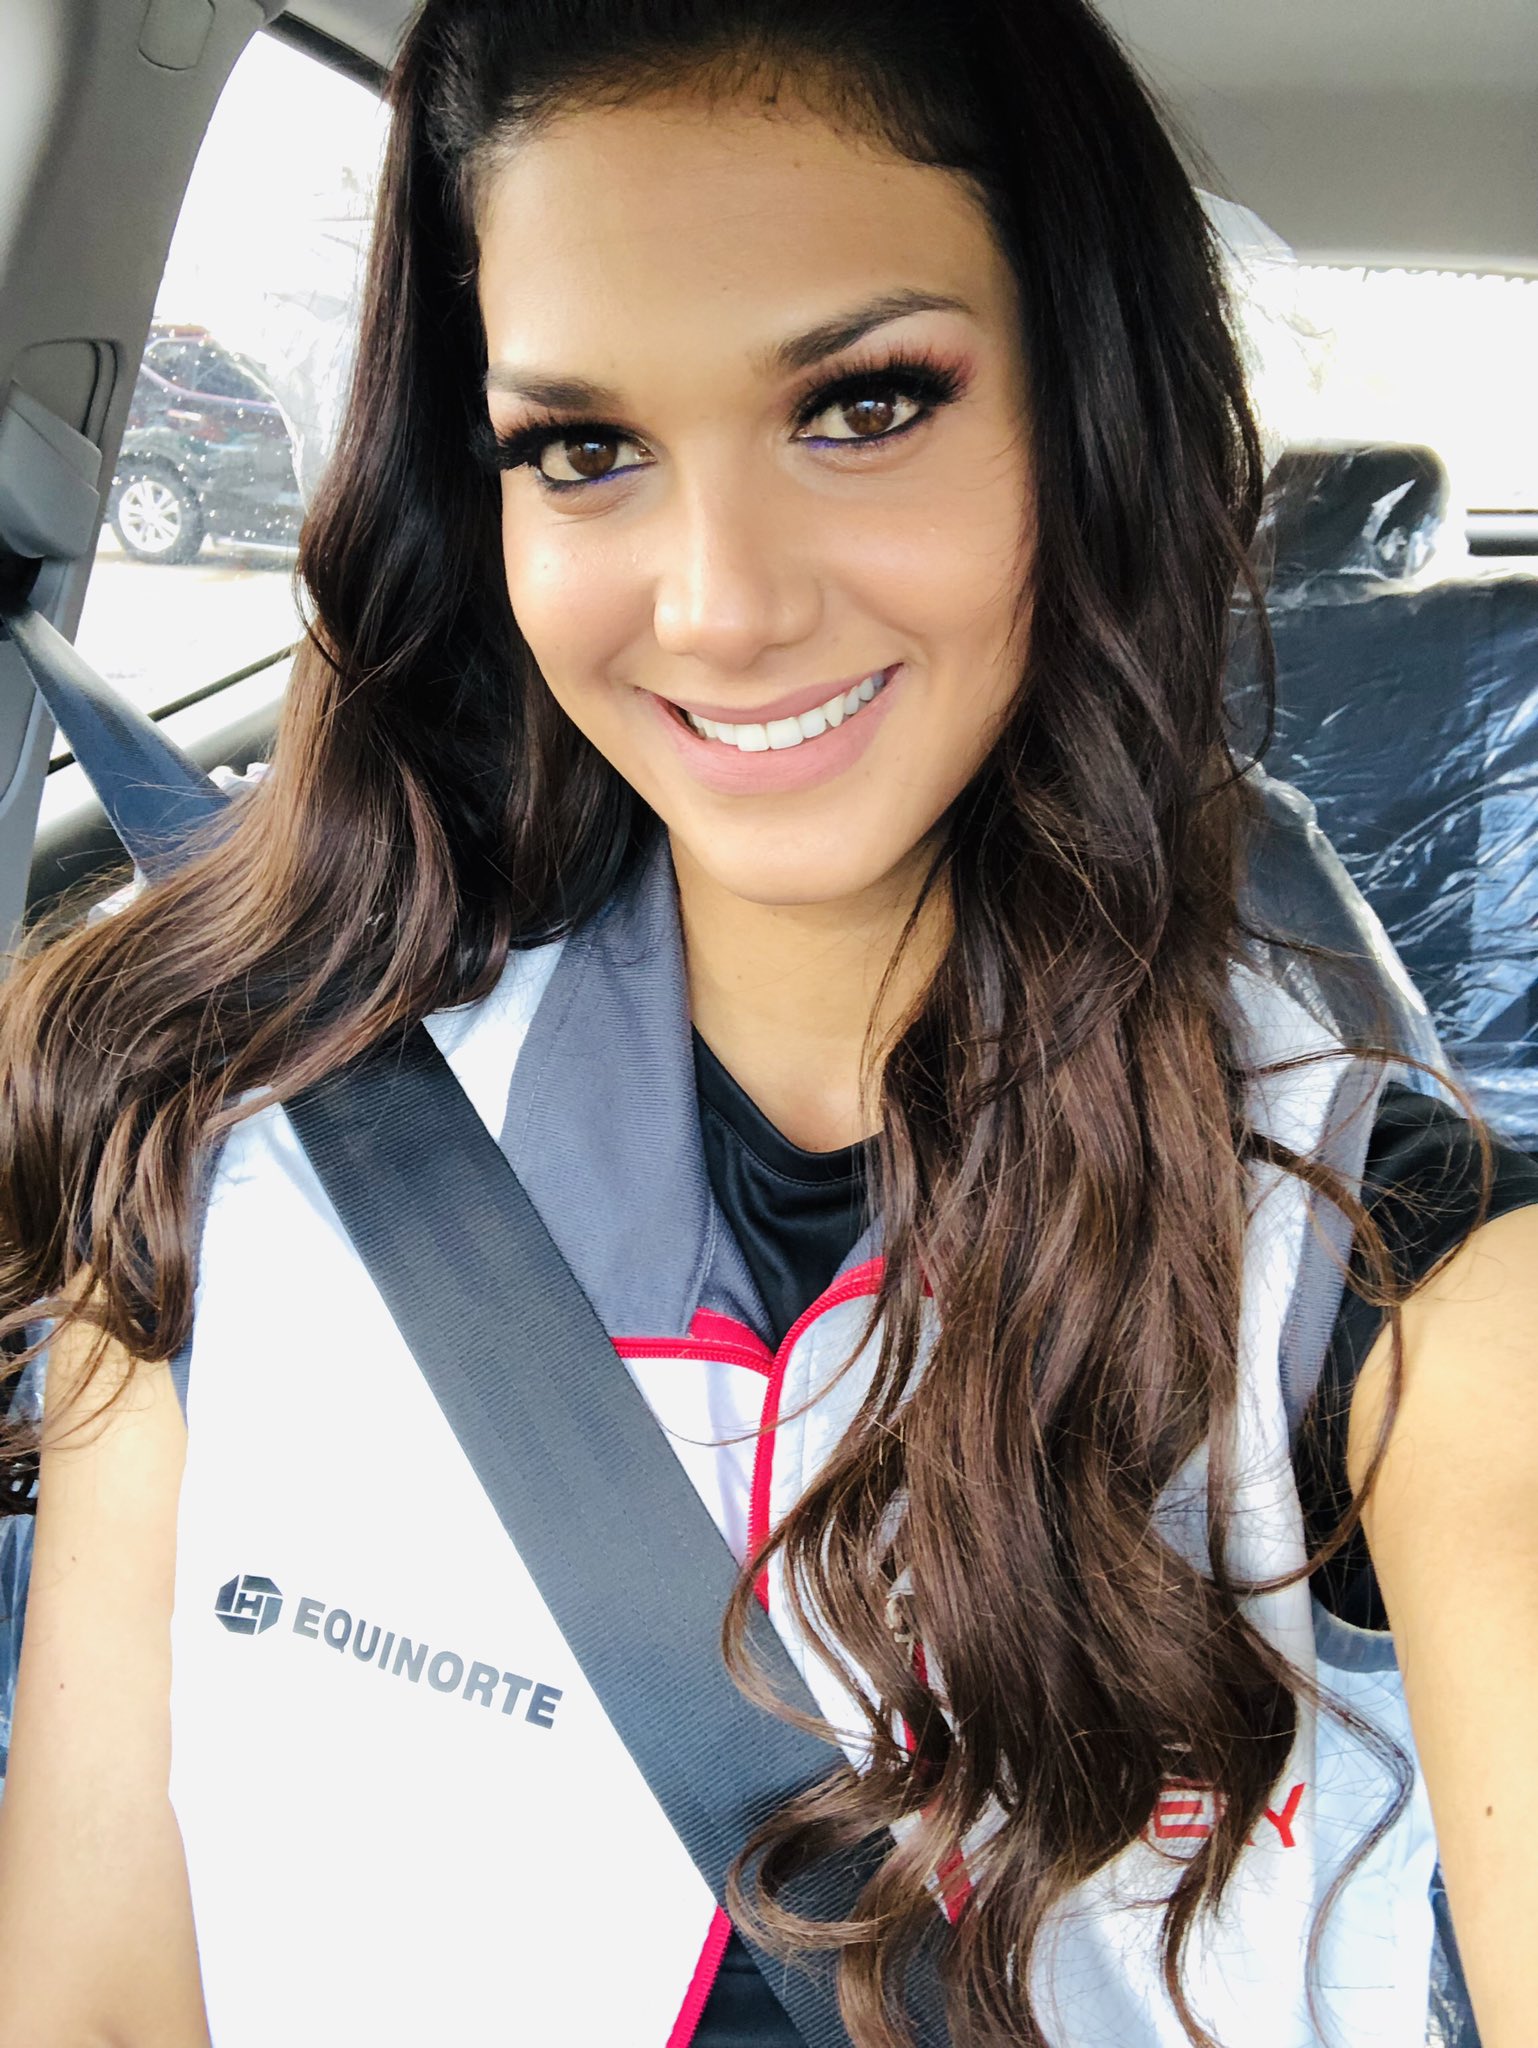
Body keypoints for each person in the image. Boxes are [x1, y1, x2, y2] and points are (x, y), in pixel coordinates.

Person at [0, 1, 1535, 2043]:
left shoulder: (1401, 1295)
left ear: (1087, 418)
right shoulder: (216, 1138)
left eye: (865, 405)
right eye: (582, 449)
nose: (717, 604)